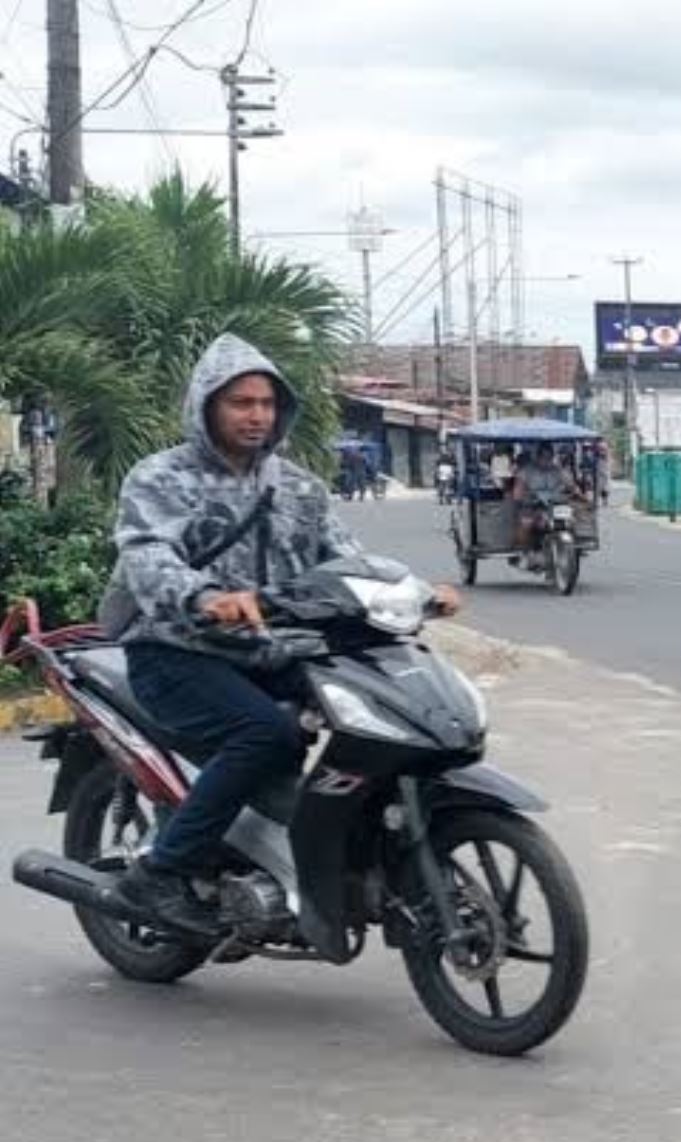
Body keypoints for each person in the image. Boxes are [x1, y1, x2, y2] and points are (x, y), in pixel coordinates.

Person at [96, 334, 460, 933]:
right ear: (207, 405)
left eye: (266, 403)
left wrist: (419, 593)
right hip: (175, 648)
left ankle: (315, 850)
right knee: (267, 733)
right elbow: (147, 556)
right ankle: (161, 871)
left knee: (381, 711)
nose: (256, 415)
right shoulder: (158, 478)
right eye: (240, 402)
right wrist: (207, 598)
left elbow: (349, 558)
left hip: (271, 649)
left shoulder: (296, 487)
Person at [513, 442, 575, 550]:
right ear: (537, 457)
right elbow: (518, 489)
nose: (547, 460)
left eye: (549, 457)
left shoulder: (558, 470)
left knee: (573, 520)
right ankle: (522, 551)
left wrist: (582, 497)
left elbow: (571, 485)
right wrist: (520, 497)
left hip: (555, 505)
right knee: (526, 524)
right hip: (532, 505)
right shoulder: (527, 471)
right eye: (544, 457)